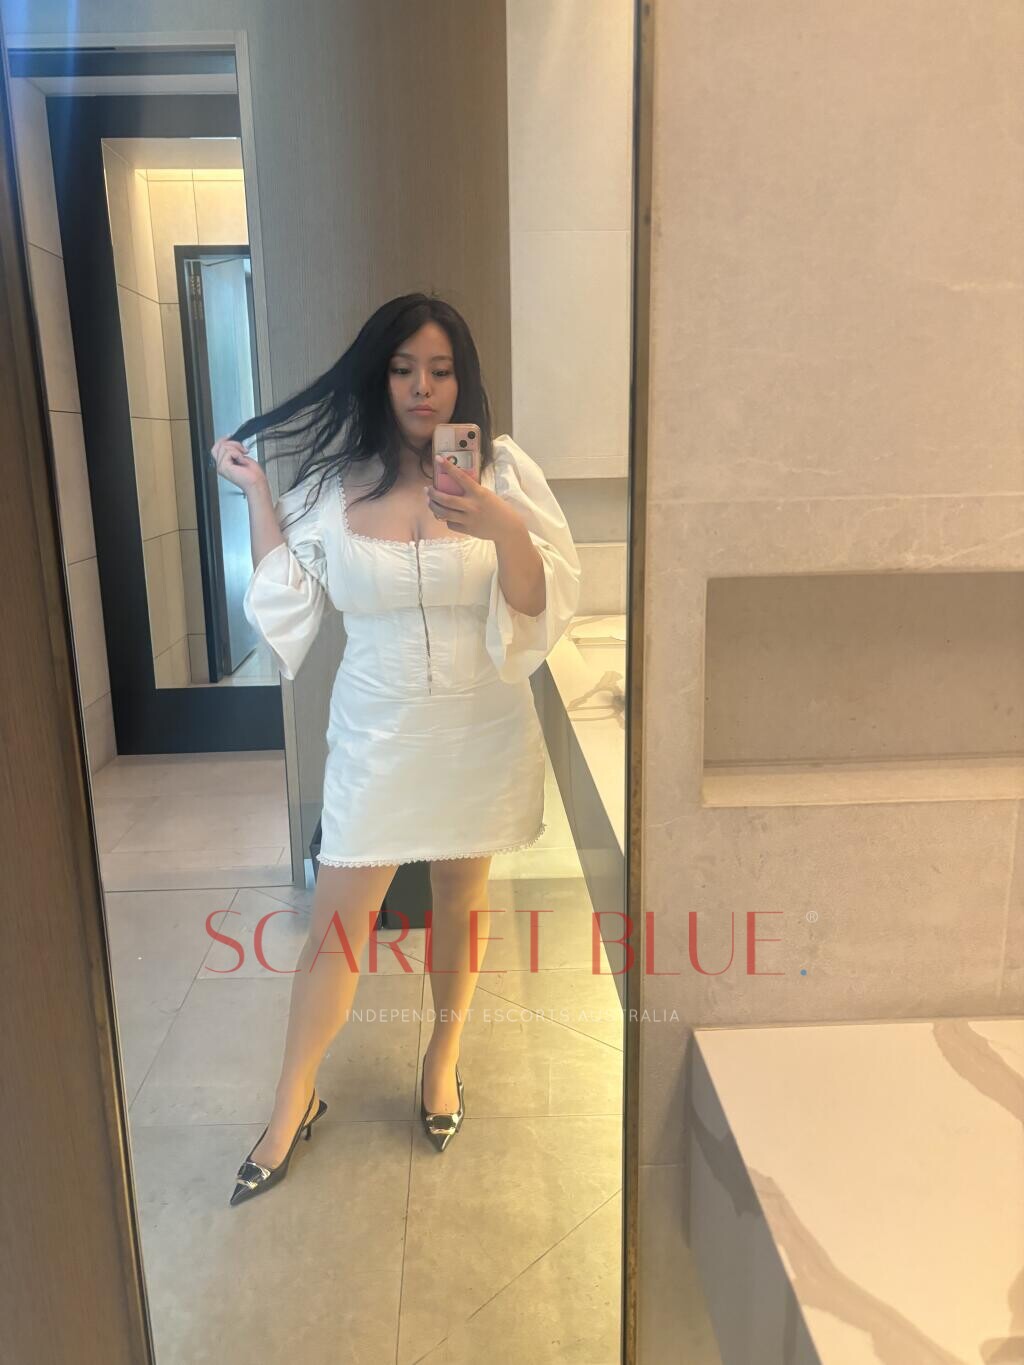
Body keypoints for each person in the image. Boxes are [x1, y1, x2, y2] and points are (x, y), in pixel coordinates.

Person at [211, 292, 581, 1205]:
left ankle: (442, 1062)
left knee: (461, 897)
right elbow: (287, 593)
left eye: (441, 370)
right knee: (339, 922)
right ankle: (291, 1100)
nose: (423, 387)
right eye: (405, 368)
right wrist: (256, 494)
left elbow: (539, 601)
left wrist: (499, 522)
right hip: (376, 732)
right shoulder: (336, 486)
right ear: (380, 378)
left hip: (480, 723)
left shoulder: (502, 472)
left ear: (463, 380)